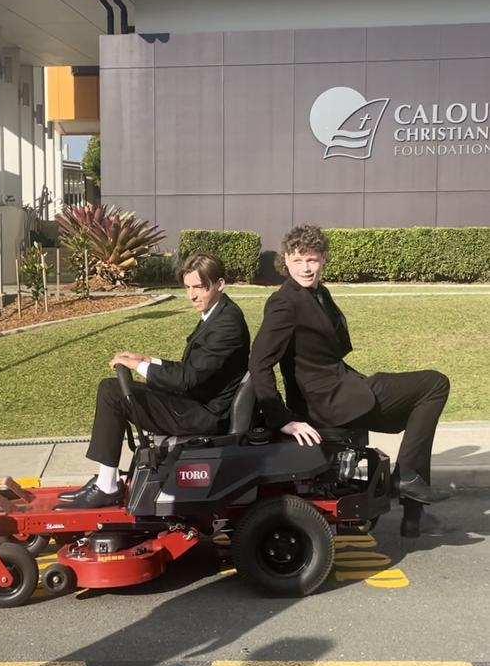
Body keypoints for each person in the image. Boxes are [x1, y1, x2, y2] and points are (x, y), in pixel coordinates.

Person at [249, 225, 450, 538]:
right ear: (286, 260)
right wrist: (283, 419)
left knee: (420, 411)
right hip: (329, 402)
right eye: (299, 260)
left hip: (344, 389)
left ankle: (413, 513)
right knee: (435, 384)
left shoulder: (319, 293)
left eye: (312, 260)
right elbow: (260, 362)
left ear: (324, 259)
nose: (306, 268)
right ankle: (406, 482)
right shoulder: (284, 302)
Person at [60, 252, 251, 509]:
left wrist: (138, 366)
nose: (192, 295)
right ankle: (106, 481)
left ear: (219, 284)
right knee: (111, 388)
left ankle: (107, 486)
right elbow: (190, 369)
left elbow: (187, 379)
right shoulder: (218, 313)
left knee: (112, 392)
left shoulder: (226, 324)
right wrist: (146, 359)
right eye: (187, 287)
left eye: (199, 287)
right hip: (195, 403)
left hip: (203, 415)